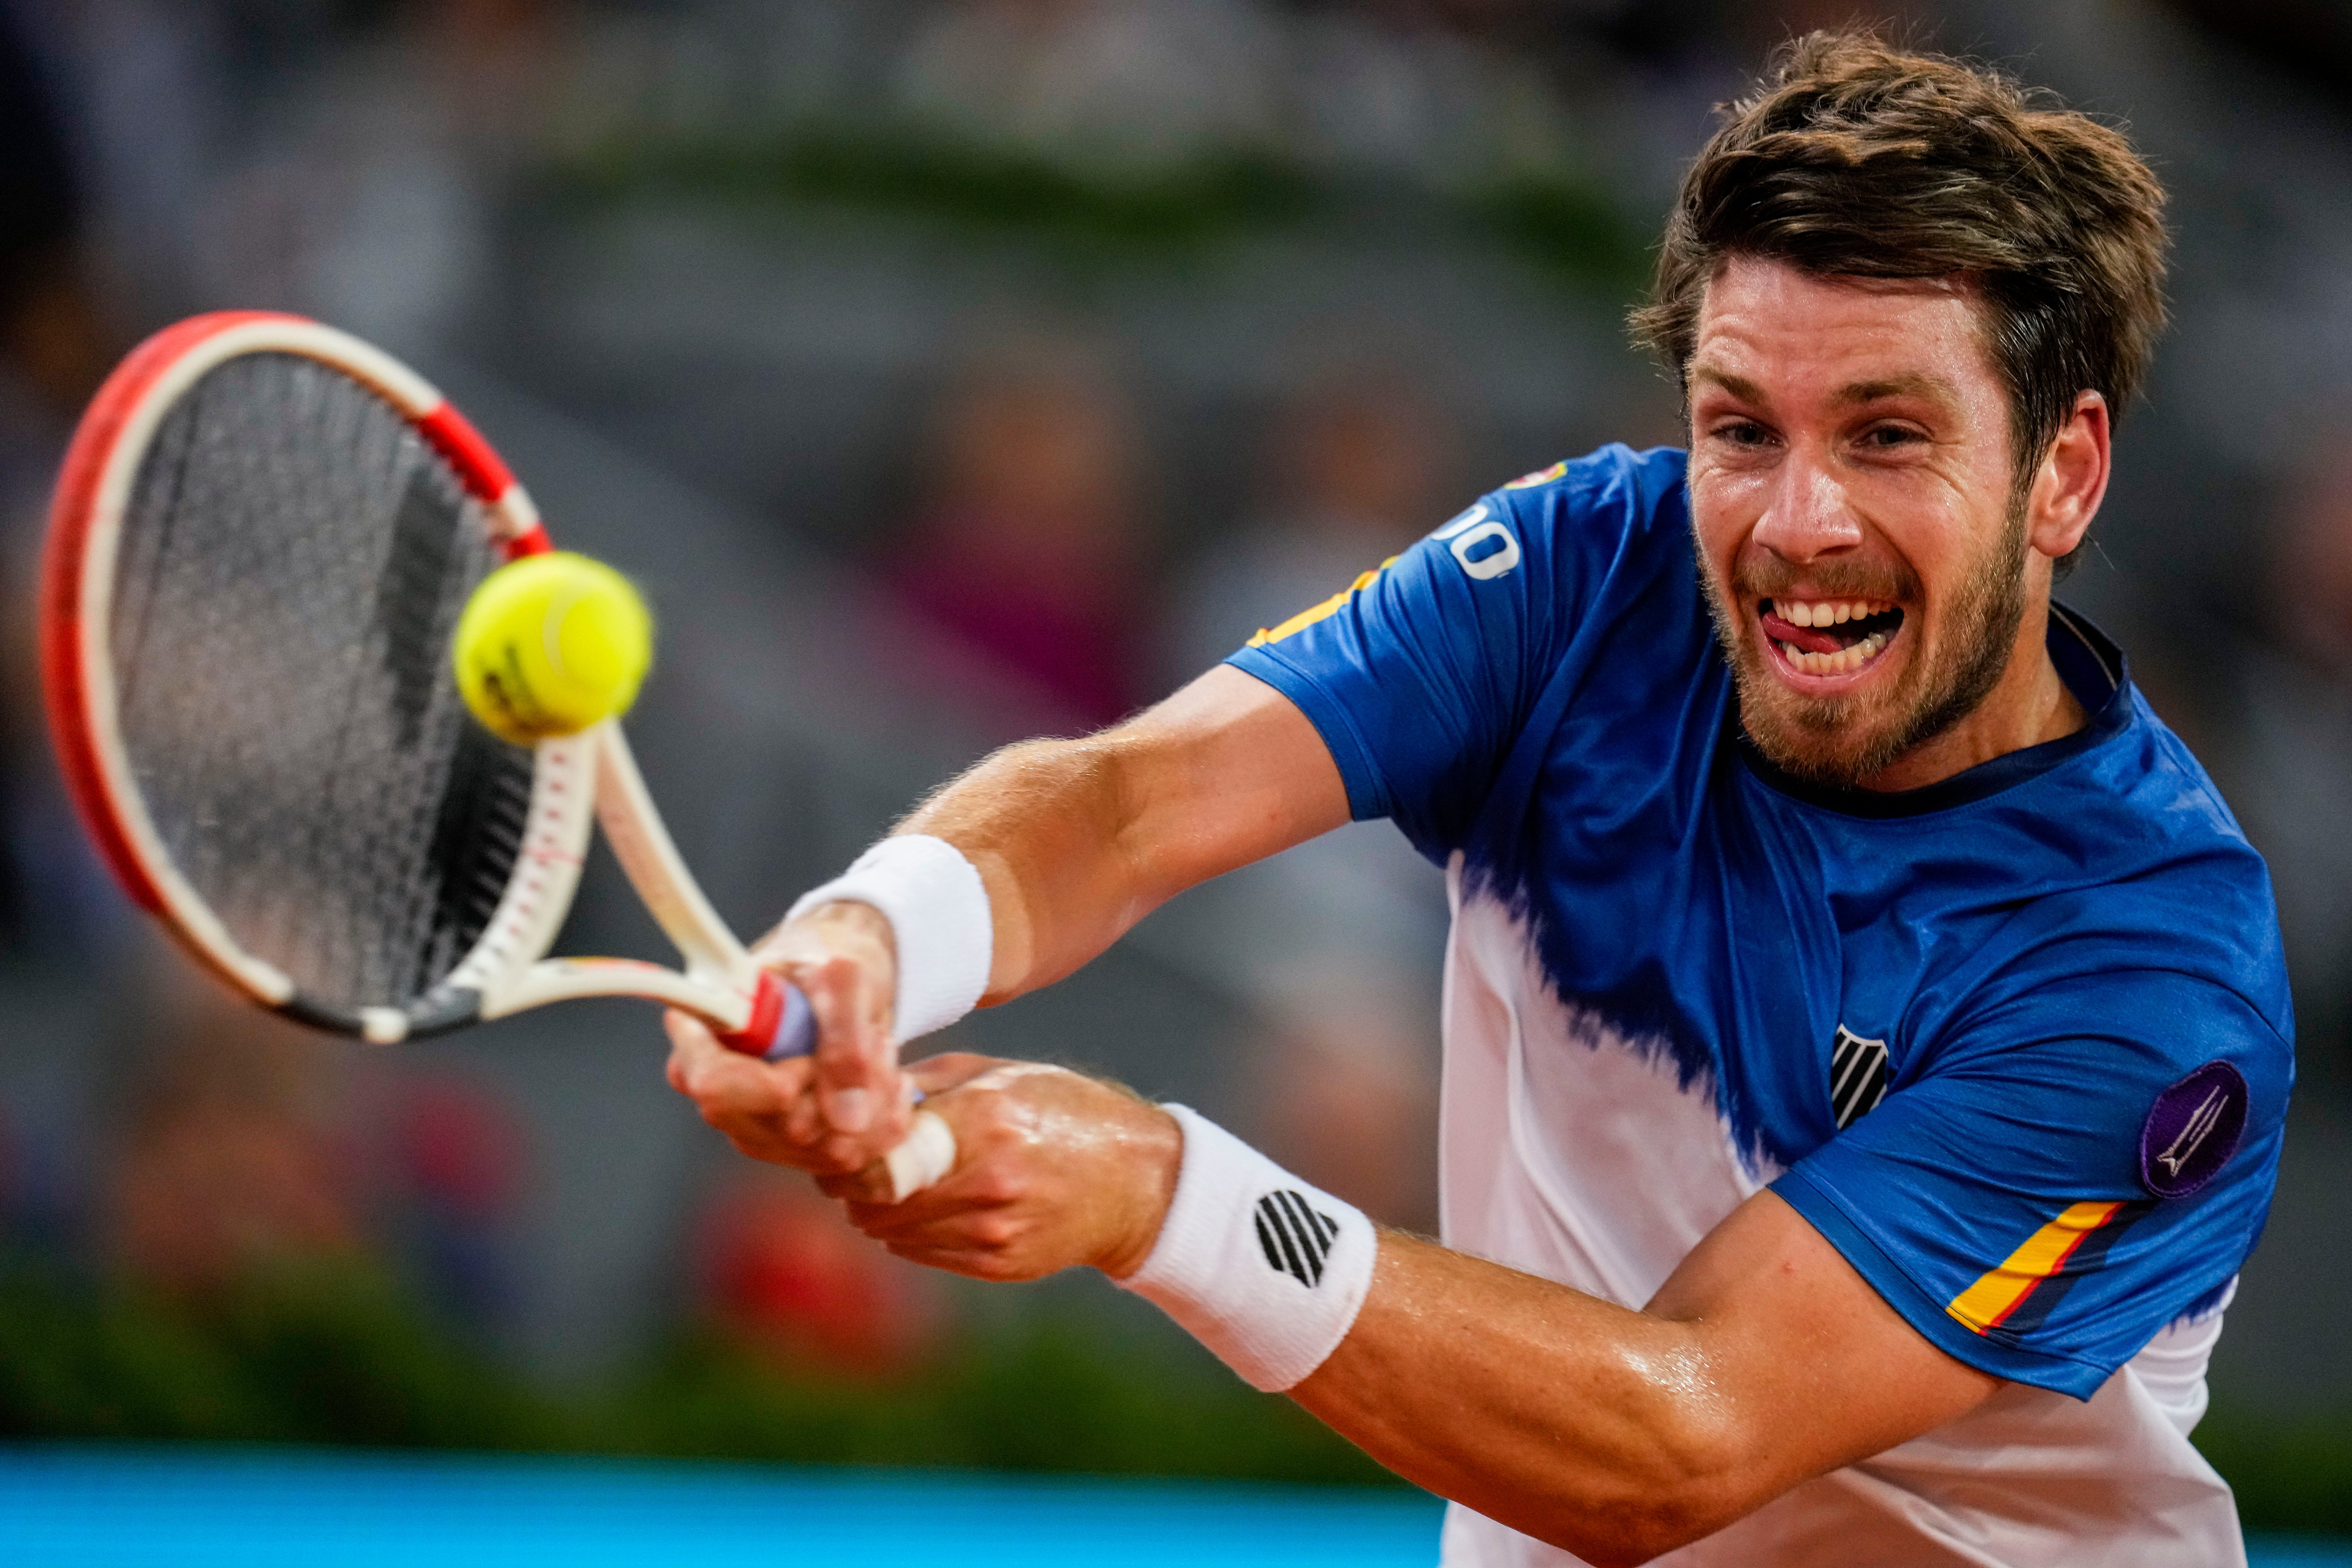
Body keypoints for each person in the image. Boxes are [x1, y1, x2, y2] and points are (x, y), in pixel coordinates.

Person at [666, 32, 2291, 1567]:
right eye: (1741, 427)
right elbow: (1126, 804)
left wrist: (1160, 1193)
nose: (1799, 522)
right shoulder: (1582, 575)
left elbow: (1681, 1437)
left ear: (2064, 472)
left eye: (1886, 435)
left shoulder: (2152, 970)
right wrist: (873, 943)